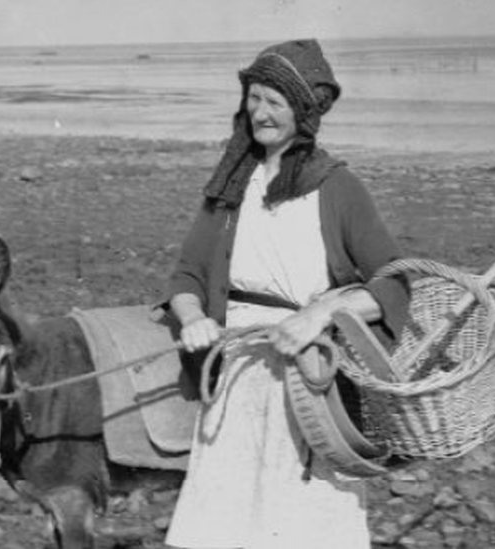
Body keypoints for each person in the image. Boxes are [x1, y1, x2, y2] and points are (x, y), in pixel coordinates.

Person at [162, 38, 410, 549]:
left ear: (302, 111)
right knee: (225, 511)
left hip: (309, 373)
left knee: (304, 512)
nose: (260, 113)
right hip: (235, 371)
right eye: (254, 98)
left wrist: (319, 313)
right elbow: (187, 275)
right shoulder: (231, 186)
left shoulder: (337, 188)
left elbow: (394, 281)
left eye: (275, 101)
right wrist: (192, 319)